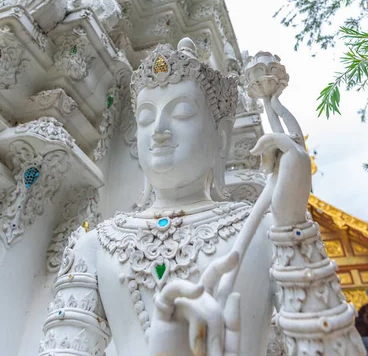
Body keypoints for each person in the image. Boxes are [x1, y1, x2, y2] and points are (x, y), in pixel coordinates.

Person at [40, 39, 365, 356]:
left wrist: (292, 224)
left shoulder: (264, 231)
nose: (159, 131)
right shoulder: (96, 245)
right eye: (145, 118)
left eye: (180, 113)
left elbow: (328, 344)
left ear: (222, 138)